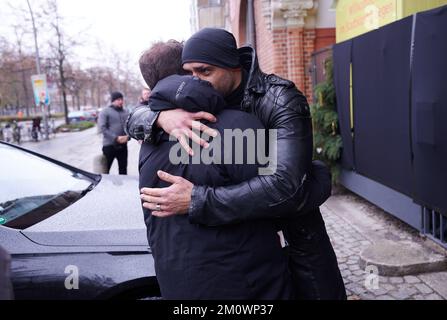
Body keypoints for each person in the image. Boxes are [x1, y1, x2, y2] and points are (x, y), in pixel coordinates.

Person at [127, 29, 346, 300]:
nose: (195, 82)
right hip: (252, 255)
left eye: (204, 72)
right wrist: (159, 117)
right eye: (189, 74)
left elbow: (286, 187)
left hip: (295, 233)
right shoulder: (182, 111)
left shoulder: (278, 99)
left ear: (231, 65)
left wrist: (196, 200)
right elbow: (136, 115)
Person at [98, 91, 130, 175]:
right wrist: (116, 138)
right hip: (109, 146)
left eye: (122, 99)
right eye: (118, 100)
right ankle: (104, 187)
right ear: (113, 101)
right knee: (105, 170)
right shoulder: (105, 112)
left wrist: (128, 137)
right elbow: (102, 128)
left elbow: (129, 126)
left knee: (123, 169)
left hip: (123, 146)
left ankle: (123, 187)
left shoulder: (126, 112)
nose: (121, 101)